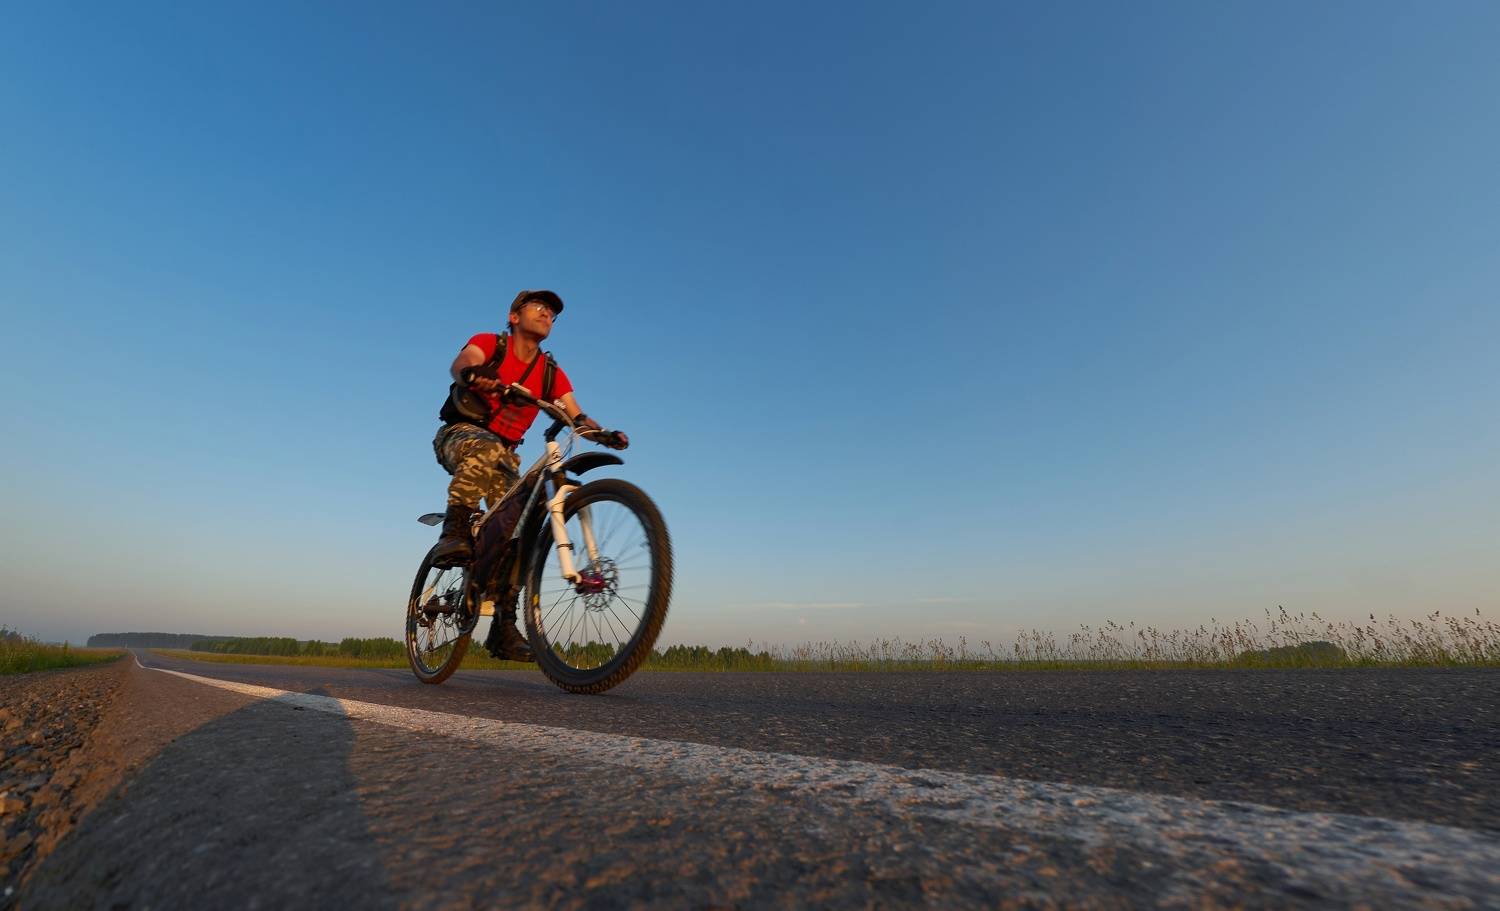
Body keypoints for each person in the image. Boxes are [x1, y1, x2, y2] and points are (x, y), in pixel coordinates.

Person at [431, 289, 627, 660]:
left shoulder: (549, 372)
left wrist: (602, 433)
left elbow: (575, 414)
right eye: (539, 307)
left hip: (506, 456)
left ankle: (503, 626)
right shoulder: (492, 344)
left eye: (552, 312)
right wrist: (474, 374)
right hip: (461, 434)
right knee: (486, 448)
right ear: (514, 316)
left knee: (521, 529)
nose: (547, 313)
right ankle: (453, 532)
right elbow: (463, 362)